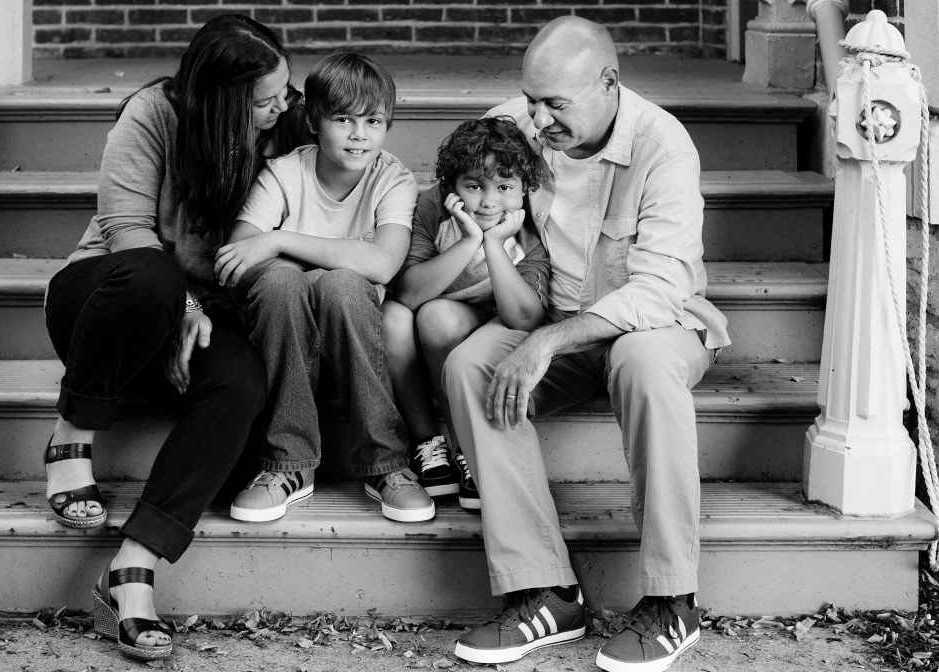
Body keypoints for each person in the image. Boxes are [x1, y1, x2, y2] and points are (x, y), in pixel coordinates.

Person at [443, 17, 730, 672]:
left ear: (608, 82)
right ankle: (544, 592)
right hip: (553, 317)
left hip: (654, 325)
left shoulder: (663, 146)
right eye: (531, 100)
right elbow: (459, 209)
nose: (537, 119)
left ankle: (672, 601)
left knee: (644, 363)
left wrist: (548, 340)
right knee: (469, 366)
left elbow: (661, 290)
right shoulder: (513, 128)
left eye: (555, 104)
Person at [42, 15, 311, 661]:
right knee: (154, 277)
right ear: (220, 103)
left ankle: (132, 568)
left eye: (284, 91)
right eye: (264, 100)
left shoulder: (287, 125)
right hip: (108, 304)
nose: (281, 107)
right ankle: (72, 435)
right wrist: (183, 305)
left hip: (206, 319)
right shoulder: (153, 114)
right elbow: (126, 228)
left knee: (240, 385)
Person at [213, 53, 436, 524]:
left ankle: (386, 463)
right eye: (343, 119)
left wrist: (279, 240)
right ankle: (287, 465)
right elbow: (238, 257)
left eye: (373, 121)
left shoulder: (392, 179)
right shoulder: (284, 173)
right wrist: (300, 265)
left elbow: (383, 262)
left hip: (355, 337)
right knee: (280, 282)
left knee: (341, 286)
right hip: (283, 337)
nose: (359, 134)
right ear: (314, 122)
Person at [384, 117, 549, 511]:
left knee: (437, 316)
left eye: (505, 187)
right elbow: (407, 293)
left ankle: (467, 451)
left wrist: (493, 243)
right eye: (474, 186)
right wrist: (469, 239)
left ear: (525, 189)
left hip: (490, 320)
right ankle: (428, 444)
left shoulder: (529, 225)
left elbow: (524, 318)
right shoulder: (433, 208)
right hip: (431, 313)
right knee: (398, 316)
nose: (489, 202)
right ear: (451, 187)